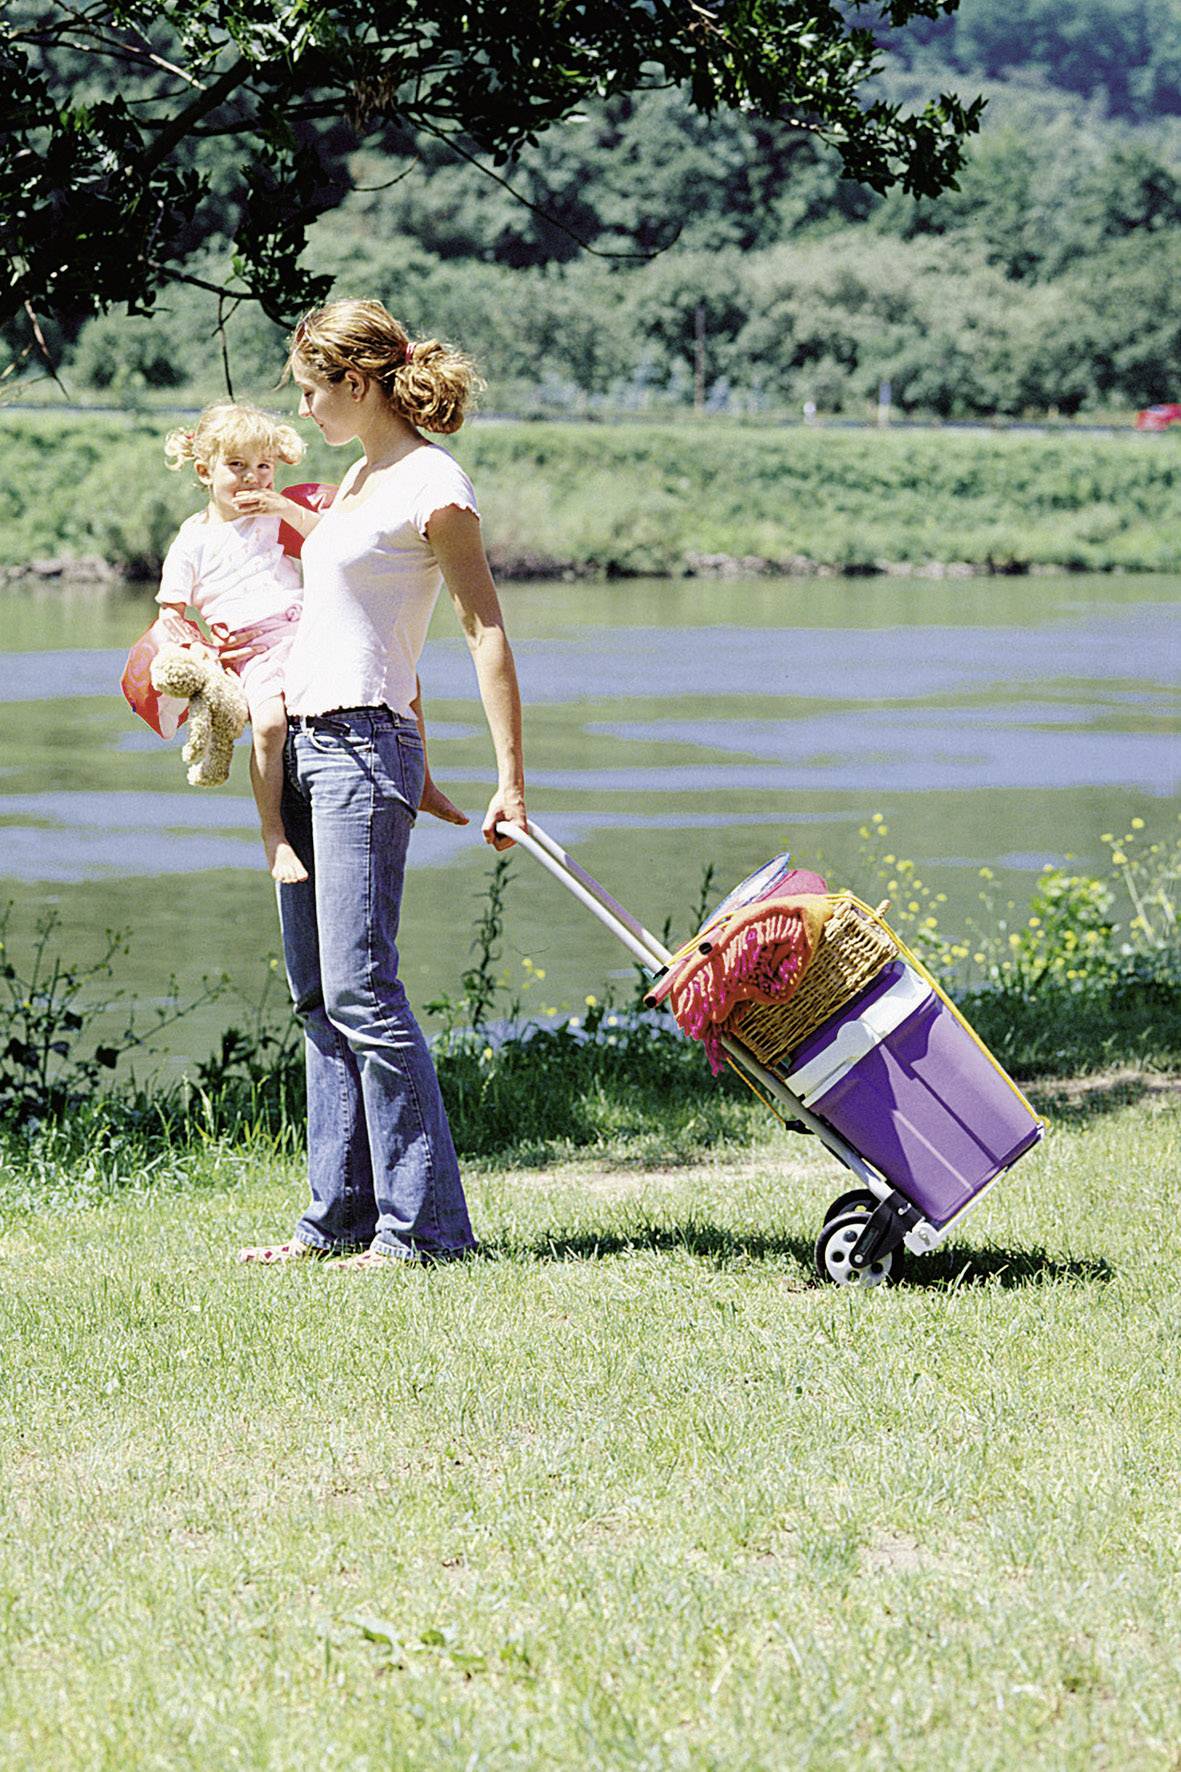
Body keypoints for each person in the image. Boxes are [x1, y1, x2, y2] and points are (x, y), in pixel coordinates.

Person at [235, 299, 527, 1270]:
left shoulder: (434, 484)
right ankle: (336, 1219)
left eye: (313, 391)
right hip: (311, 750)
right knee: (319, 994)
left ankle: (426, 1227)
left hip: (363, 751)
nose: (306, 410)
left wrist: (506, 782)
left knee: (365, 989)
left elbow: (481, 629)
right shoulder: (357, 479)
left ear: (358, 384)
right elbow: (356, 633)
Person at [158, 403, 464, 886]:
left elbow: (336, 543)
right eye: (236, 466)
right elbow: (169, 614)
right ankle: (273, 834)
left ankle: (423, 780)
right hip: (253, 650)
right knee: (270, 726)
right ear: (205, 470)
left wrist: (286, 508)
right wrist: (189, 647)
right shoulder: (191, 543)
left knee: (397, 673)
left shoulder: (271, 516)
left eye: (263, 467)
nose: (252, 478)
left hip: (307, 627)